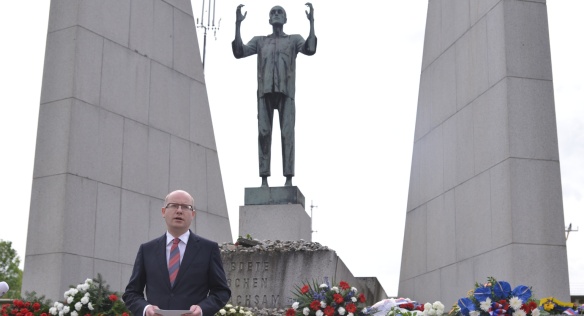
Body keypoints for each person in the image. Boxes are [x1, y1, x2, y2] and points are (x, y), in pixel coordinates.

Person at [232, 3, 317, 188]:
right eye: (273, 13)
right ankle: (264, 179)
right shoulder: (260, 41)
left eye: (280, 12)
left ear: (285, 19)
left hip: (286, 93)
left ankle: (288, 178)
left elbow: (310, 49)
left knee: (287, 134)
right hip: (264, 93)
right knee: (263, 134)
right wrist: (238, 25)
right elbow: (239, 52)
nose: (276, 15)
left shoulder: (293, 40)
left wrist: (312, 23)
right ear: (269, 20)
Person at [123, 190, 231, 316]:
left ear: (193, 214)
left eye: (186, 207)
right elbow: (131, 293)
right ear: (163, 211)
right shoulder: (147, 250)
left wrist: (202, 309)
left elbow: (222, 291)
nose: (179, 210)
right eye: (173, 205)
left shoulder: (208, 249)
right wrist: (146, 309)